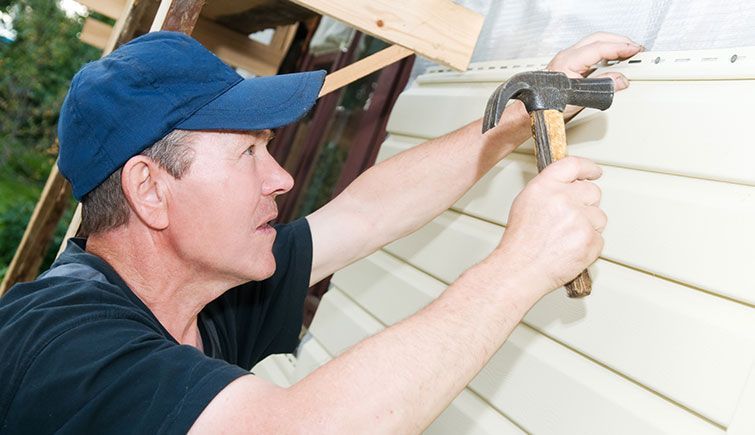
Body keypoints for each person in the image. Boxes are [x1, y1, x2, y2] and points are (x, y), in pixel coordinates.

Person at [0, 30, 641, 433]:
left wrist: (512, 117)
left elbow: (364, 215)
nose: (280, 177)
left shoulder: (197, 293)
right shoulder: (57, 340)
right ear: (149, 190)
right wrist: (520, 266)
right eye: (249, 152)